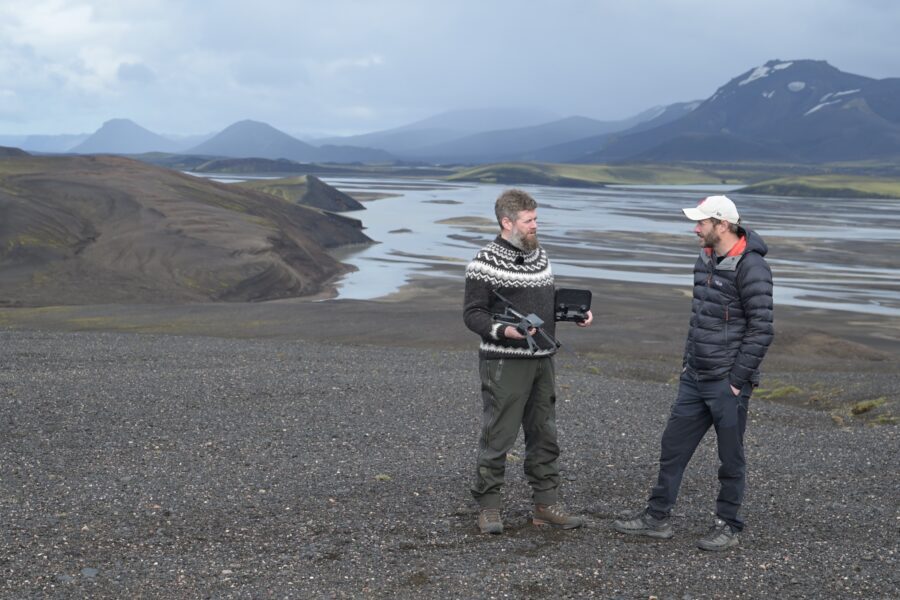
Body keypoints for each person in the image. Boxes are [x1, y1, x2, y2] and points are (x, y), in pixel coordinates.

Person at [612, 195, 774, 551]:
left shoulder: (752, 267)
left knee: (730, 457)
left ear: (722, 224)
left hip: (727, 382)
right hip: (695, 377)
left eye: (701, 222)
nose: (695, 228)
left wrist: (736, 381)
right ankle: (657, 517)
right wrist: (688, 362)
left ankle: (728, 524)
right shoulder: (705, 260)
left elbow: (762, 329)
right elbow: (699, 318)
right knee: (672, 447)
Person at [463, 188, 593, 534]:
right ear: (507, 222)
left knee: (544, 434)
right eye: (528, 220)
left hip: (543, 359)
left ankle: (545, 505)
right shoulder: (484, 263)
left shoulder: (540, 256)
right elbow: (473, 314)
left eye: (535, 219)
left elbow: (542, 303)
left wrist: (572, 314)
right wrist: (505, 331)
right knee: (498, 435)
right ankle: (489, 507)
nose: (535, 225)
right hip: (504, 362)